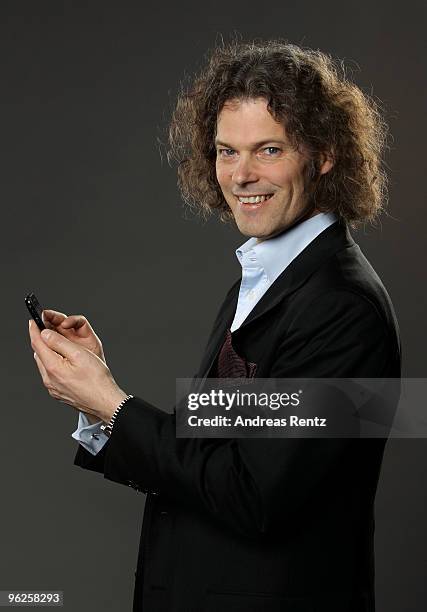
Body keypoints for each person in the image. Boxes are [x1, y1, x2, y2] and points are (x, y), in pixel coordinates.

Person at [29, 39, 401, 612]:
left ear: (324, 153)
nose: (242, 176)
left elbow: (254, 492)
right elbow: (212, 453)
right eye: (227, 151)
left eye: (269, 150)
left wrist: (113, 406)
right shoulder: (264, 279)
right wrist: (95, 393)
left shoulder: (343, 306)